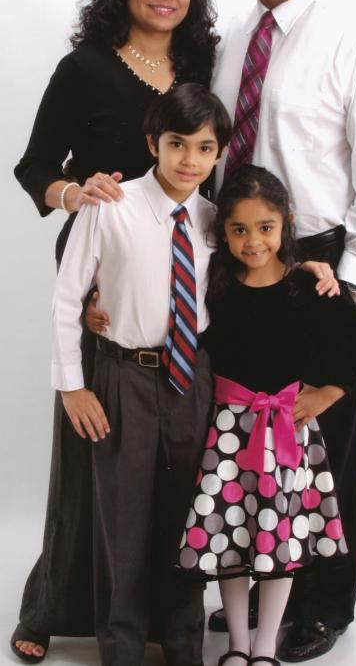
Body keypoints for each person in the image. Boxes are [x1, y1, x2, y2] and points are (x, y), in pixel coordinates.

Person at [12, 0, 219, 662]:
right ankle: (50, 607)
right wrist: (78, 191)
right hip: (104, 268)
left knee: (171, 471)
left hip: (181, 275)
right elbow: (34, 164)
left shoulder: (198, 67)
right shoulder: (86, 68)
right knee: (91, 461)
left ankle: (168, 616)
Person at [209, 0, 356, 661]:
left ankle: (323, 602)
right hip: (239, 253)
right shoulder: (237, 34)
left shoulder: (352, 37)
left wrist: (355, 278)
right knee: (250, 431)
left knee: (321, 434)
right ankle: (257, 582)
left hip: (316, 256)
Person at [50, 82, 233, 666]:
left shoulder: (213, 221)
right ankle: (122, 649)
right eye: (177, 144)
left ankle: (184, 647)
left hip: (192, 380)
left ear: (218, 154)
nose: (189, 160)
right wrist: (73, 385)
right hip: (124, 377)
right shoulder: (111, 206)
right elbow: (65, 298)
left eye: (204, 148)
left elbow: (260, 268)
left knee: (189, 520)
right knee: (121, 524)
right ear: (153, 142)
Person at [178, 164, 356, 666]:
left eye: (266, 228)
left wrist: (325, 395)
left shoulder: (304, 287)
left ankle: (265, 645)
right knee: (229, 539)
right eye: (239, 229)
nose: (253, 241)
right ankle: (236, 644)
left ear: (286, 224)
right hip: (228, 437)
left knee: (279, 540)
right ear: (223, 231)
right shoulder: (216, 289)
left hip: (285, 437)